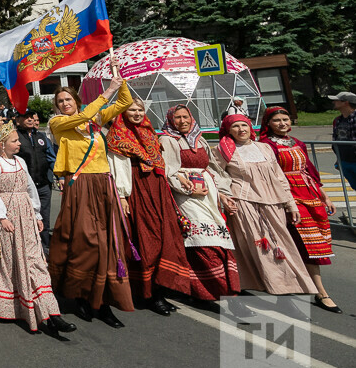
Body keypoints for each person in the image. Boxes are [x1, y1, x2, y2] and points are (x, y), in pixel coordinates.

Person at [48, 78, 134, 328]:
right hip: (81, 185)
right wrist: (107, 91)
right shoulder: (58, 124)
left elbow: (125, 102)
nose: (64, 104)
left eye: (68, 99)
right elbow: (84, 115)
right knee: (86, 240)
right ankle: (82, 295)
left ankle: (103, 301)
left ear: (76, 100)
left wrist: (119, 79)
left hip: (103, 184)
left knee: (108, 242)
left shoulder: (94, 121)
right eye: (60, 101)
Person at [0, 120, 74, 335]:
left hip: (25, 216)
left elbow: (30, 188)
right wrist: (1, 217)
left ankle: (52, 313)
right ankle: (12, 307)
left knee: (35, 261)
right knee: (7, 261)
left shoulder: (20, 163)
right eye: (14, 141)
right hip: (4, 220)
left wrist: (36, 213)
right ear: (2, 144)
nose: (19, 144)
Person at [211, 114, 314, 296]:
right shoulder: (223, 150)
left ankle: (289, 281)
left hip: (274, 201)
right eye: (235, 126)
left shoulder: (264, 148)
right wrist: (224, 196)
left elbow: (279, 176)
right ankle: (272, 284)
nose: (241, 129)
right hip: (244, 201)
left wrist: (291, 204)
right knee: (257, 244)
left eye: (244, 125)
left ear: (251, 127)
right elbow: (215, 174)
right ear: (228, 130)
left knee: (280, 241)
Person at [106, 100, 191, 315]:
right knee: (146, 238)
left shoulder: (149, 132)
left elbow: (162, 162)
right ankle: (149, 293)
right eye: (131, 110)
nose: (136, 113)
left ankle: (161, 287)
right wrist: (123, 196)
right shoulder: (118, 135)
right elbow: (119, 167)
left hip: (157, 188)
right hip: (138, 188)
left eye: (140, 110)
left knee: (166, 236)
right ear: (123, 113)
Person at [259, 107, 341, 313]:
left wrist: (325, 197)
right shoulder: (265, 146)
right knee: (305, 244)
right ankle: (320, 292)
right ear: (268, 124)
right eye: (276, 120)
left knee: (315, 244)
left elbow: (309, 171)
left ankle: (307, 288)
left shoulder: (298, 143)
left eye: (285, 119)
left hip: (310, 194)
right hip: (288, 197)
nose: (282, 123)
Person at [158, 105, 241, 302]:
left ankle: (214, 289)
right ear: (171, 120)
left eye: (185, 116)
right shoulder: (167, 140)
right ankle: (215, 290)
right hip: (185, 195)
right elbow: (167, 170)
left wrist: (222, 194)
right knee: (202, 241)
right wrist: (187, 188)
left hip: (208, 194)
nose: (182, 121)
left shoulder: (199, 138)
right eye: (177, 118)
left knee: (217, 239)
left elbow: (212, 169)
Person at [15, 110, 56, 254]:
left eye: (32, 116)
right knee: (26, 218)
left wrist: (61, 176)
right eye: (25, 117)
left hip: (44, 184)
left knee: (44, 217)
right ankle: (27, 248)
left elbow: (51, 158)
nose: (30, 119)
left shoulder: (42, 136)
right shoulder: (15, 137)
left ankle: (44, 248)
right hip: (24, 187)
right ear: (17, 120)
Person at [330, 91, 356, 194]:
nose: (334, 102)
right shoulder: (338, 120)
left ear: (346, 102)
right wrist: (338, 160)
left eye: (336, 100)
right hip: (345, 161)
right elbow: (336, 140)